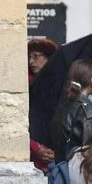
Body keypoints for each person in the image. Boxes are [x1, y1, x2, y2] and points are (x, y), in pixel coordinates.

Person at [48, 59, 92, 165]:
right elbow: (91, 149)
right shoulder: (86, 110)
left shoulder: (64, 104)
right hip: (79, 170)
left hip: (60, 167)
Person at [29, 39, 58, 173]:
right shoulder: (27, 84)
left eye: (36, 56)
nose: (31, 62)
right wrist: (35, 148)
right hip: (33, 155)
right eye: (29, 57)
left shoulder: (60, 84)